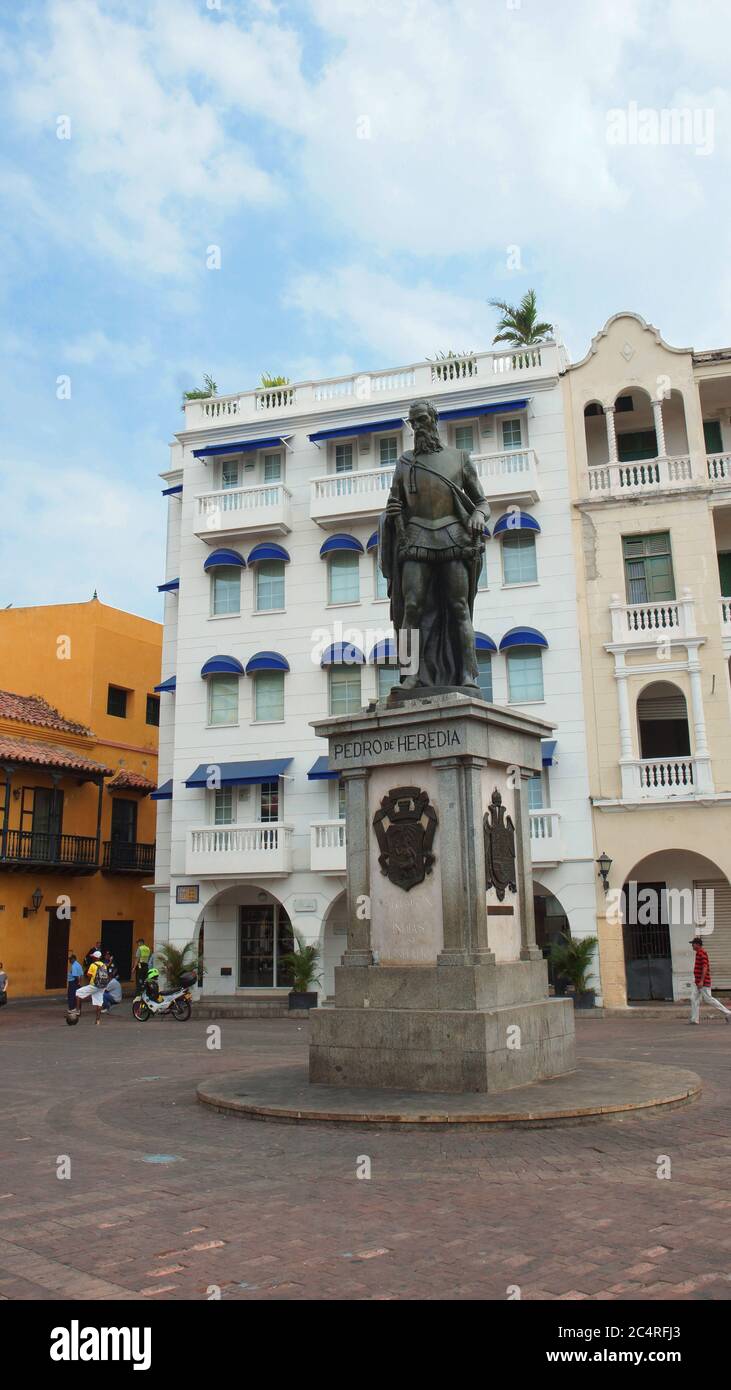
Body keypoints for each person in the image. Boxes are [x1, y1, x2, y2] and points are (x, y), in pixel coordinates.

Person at [689, 936, 731, 1024]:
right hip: (698, 982)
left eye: (693, 944)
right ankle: (694, 1020)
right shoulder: (698, 953)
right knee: (693, 998)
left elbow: (705, 967)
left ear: (697, 944)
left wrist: (701, 981)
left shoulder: (702, 953)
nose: (692, 946)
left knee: (708, 999)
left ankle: (728, 1013)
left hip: (703, 982)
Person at [73, 950, 109, 1026]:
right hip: (102, 986)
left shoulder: (93, 965)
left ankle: (77, 1010)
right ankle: (97, 1020)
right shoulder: (104, 965)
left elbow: (88, 975)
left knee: (78, 993)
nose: (92, 958)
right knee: (99, 1003)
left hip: (94, 985)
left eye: (93, 957)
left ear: (95, 957)